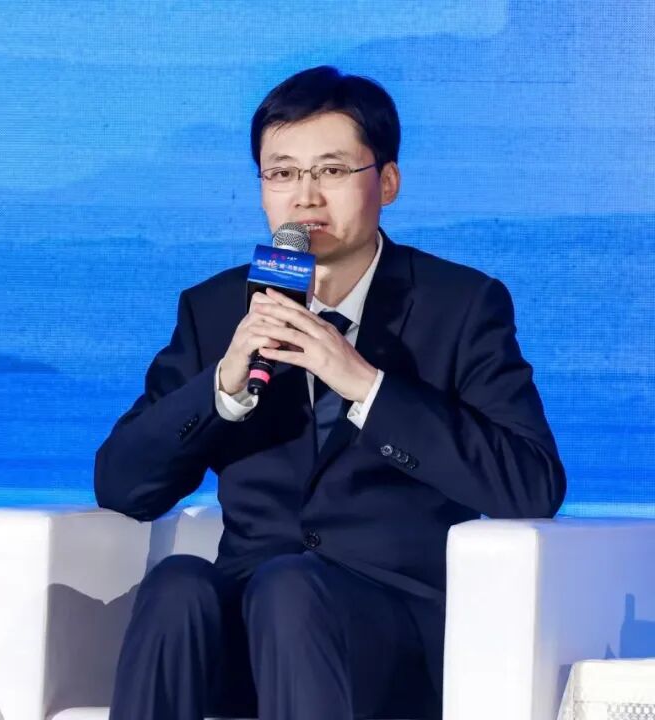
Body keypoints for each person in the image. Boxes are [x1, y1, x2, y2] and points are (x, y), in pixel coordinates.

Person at [93, 66, 566, 720]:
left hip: (387, 636)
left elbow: (532, 485)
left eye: (332, 171)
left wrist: (366, 386)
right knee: (177, 582)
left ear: (387, 182)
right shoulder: (217, 309)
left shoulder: (460, 305)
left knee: (290, 585)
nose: (305, 197)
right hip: (248, 634)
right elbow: (122, 487)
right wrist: (221, 389)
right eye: (282, 173)